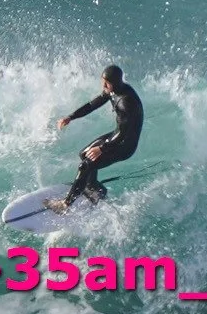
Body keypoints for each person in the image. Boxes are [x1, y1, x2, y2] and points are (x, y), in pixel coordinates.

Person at [48, 64, 142, 211]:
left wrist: (101, 149)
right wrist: (71, 117)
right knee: (84, 154)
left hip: (125, 145)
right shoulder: (112, 90)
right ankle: (94, 188)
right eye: (103, 81)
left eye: (107, 83)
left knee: (85, 165)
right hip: (117, 136)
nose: (103, 85)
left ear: (115, 83)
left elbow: (124, 134)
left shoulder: (126, 102)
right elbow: (93, 104)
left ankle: (65, 205)